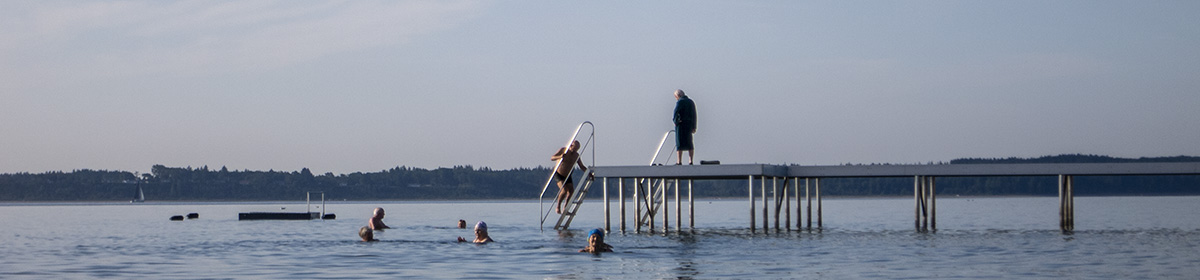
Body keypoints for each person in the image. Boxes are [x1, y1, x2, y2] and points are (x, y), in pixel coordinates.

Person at [551, 140, 588, 214]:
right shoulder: (563, 150)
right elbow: (552, 158)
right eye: (575, 148)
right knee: (564, 190)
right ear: (571, 146)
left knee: (571, 191)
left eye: (577, 149)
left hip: (567, 175)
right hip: (559, 174)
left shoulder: (576, 155)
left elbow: (581, 166)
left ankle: (566, 208)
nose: (575, 150)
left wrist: (589, 173)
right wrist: (560, 156)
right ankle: (558, 207)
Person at [673, 89, 698, 165]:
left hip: (681, 125)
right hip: (689, 125)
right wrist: (694, 126)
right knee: (689, 142)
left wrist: (676, 121)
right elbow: (694, 115)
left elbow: (676, 112)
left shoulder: (680, 102)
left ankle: (679, 161)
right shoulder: (691, 102)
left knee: (679, 143)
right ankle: (690, 161)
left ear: (678, 96)